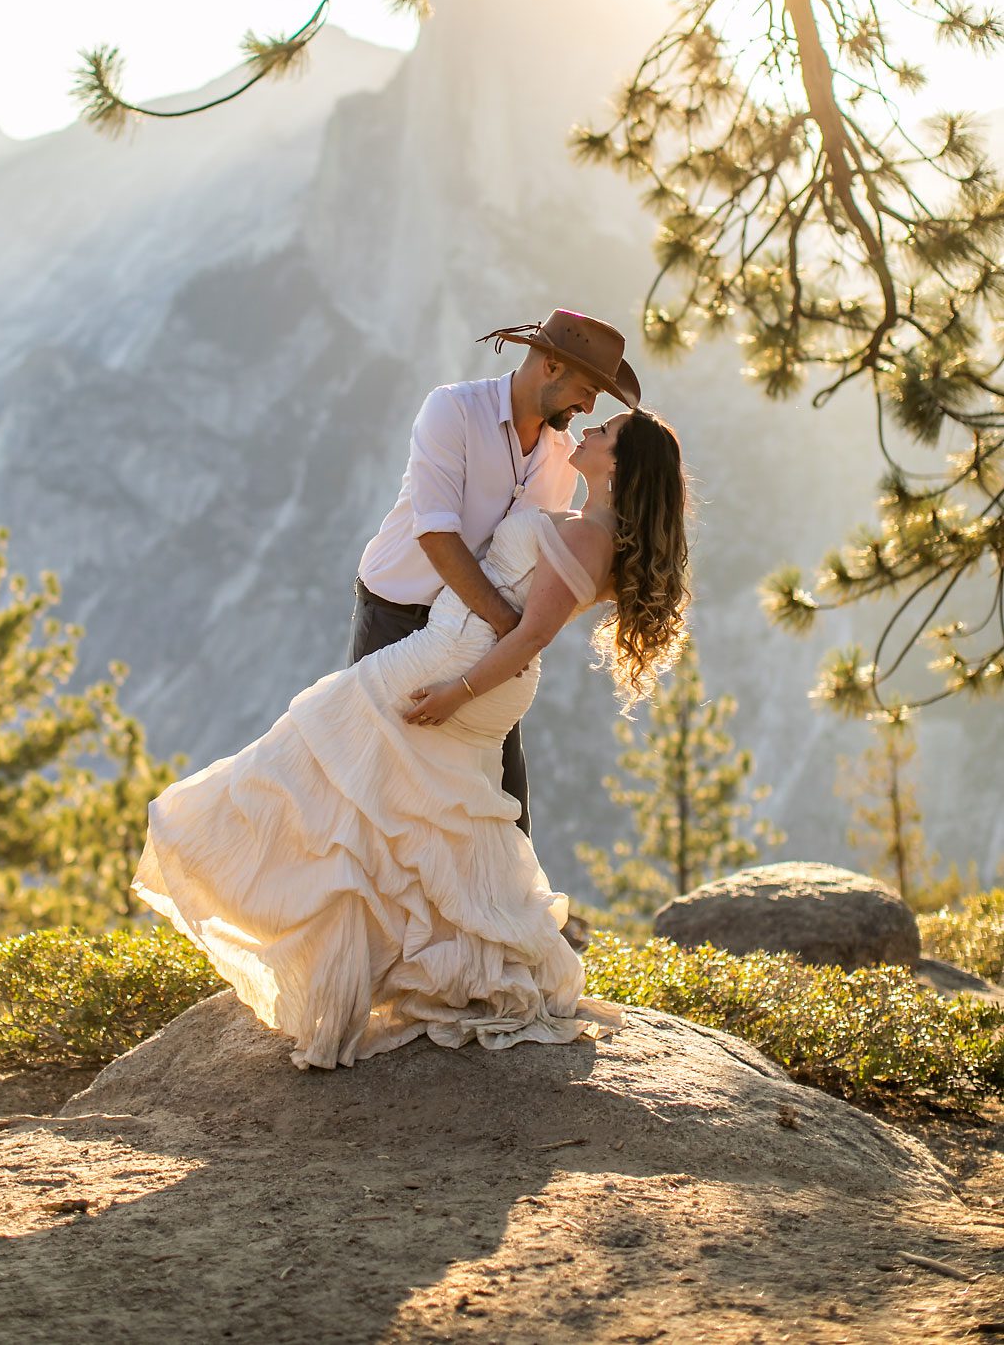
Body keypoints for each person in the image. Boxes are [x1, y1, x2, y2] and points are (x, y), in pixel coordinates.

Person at [132, 394, 691, 1072]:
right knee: (422, 815)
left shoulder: (585, 535)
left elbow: (533, 633)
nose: (590, 428)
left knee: (327, 759)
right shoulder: (587, 528)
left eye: (604, 431)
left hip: (457, 663)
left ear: (619, 465)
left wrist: (457, 691)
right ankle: (411, 972)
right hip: (466, 662)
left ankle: (330, 966)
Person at [349, 311, 642, 838]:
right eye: (587, 388)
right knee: (379, 793)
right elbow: (437, 535)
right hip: (398, 616)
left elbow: (540, 564)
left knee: (500, 803)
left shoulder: (562, 459)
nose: (589, 407)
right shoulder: (454, 410)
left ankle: (492, 918)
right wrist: (516, 633)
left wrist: (514, 644)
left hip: (487, 642)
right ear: (550, 366)